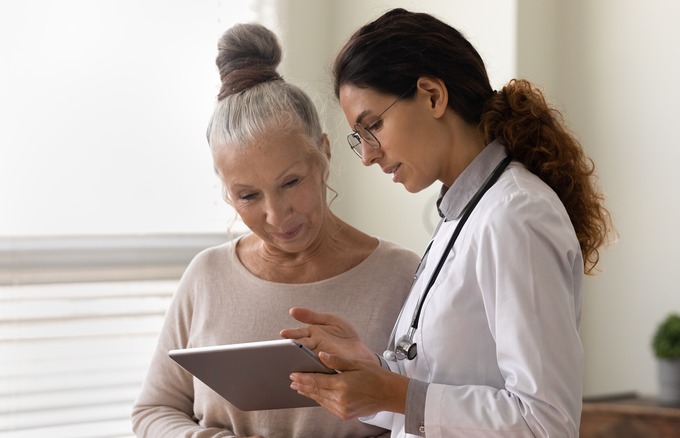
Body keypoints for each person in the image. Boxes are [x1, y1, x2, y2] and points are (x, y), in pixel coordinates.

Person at [281, 8, 614, 438]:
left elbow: (545, 422)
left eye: (373, 126)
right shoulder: (466, 214)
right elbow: (442, 389)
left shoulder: (515, 215)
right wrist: (371, 372)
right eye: (360, 137)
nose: (368, 155)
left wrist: (393, 392)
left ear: (433, 96)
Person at [131, 22, 420, 438]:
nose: (276, 215)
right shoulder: (206, 276)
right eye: (248, 196)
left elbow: (432, 416)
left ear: (323, 152)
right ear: (227, 193)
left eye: (291, 183)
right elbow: (154, 411)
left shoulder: (401, 276)